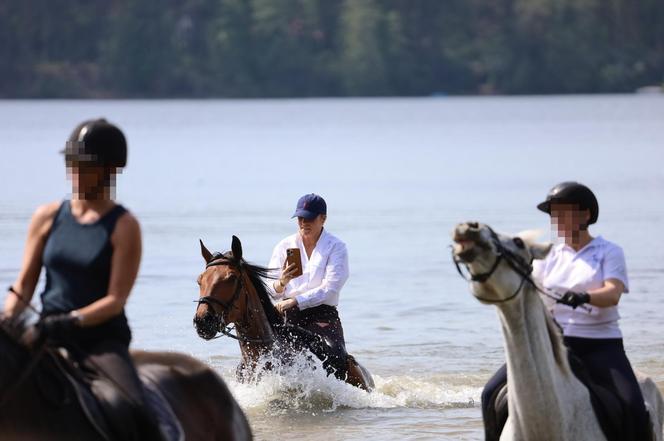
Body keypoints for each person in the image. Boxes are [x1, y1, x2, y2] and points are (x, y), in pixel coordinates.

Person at [3, 118, 163, 441]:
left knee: (131, 407)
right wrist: (7, 319)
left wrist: (69, 321)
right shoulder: (47, 217)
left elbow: (115, 300)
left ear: (109, 169)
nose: (74, 172)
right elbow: (23, 285)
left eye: (83, 165)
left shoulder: (123, 226)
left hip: (98, 342)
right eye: (70, 163)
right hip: (43, 333)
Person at [481, 181, 649, 441]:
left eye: (564, 212)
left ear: (585, 214)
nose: (557, 219)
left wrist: (584, 296)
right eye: (553, 214)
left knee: (634, 408)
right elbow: (531, 294)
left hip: (600, 346)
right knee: (489, 393)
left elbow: (612, 294)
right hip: (551, 345)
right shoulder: (547, 256)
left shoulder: (609, 252)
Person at [268, 193, 350, 379]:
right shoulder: (284, 246)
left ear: (323, 219)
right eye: (300, 218)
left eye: (310, 218)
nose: (304, 223)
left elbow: (331, 287)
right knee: (265, 356)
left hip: (322, 313)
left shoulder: (336, 247)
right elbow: (269, 290)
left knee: (337, 356)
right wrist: (281, 283)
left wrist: (296, 300)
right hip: (288, 314)